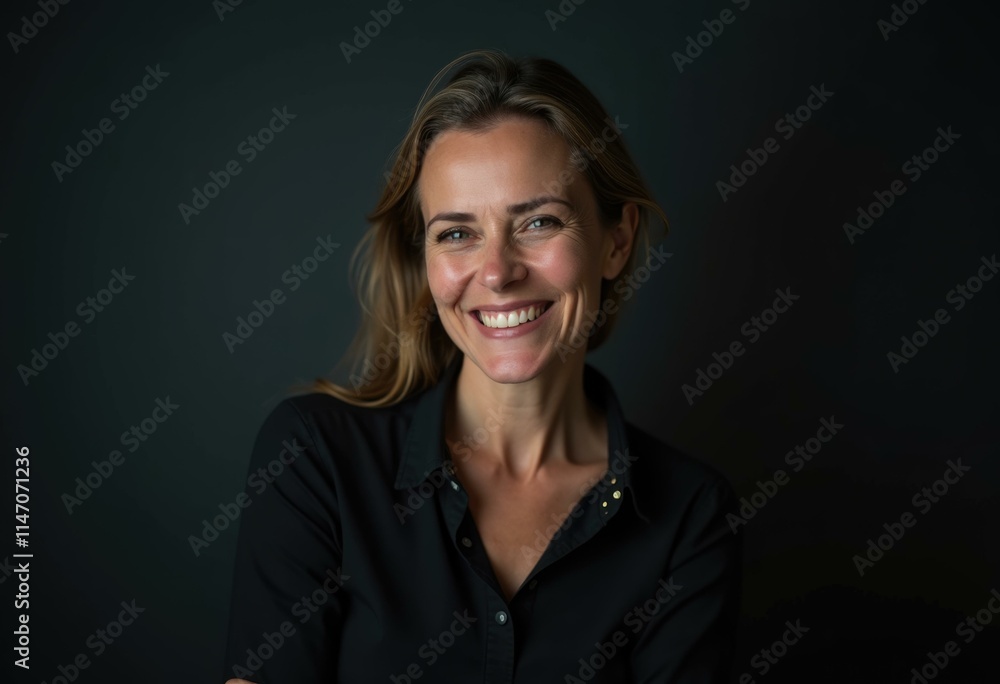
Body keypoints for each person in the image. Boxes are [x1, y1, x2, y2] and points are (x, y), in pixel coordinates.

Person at [223, 49, 742, 683]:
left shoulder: (689, 515)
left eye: (539, 222)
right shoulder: (314, 461)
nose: (496, 272)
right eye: (457, 233)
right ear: (426, 259)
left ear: (616, 240)